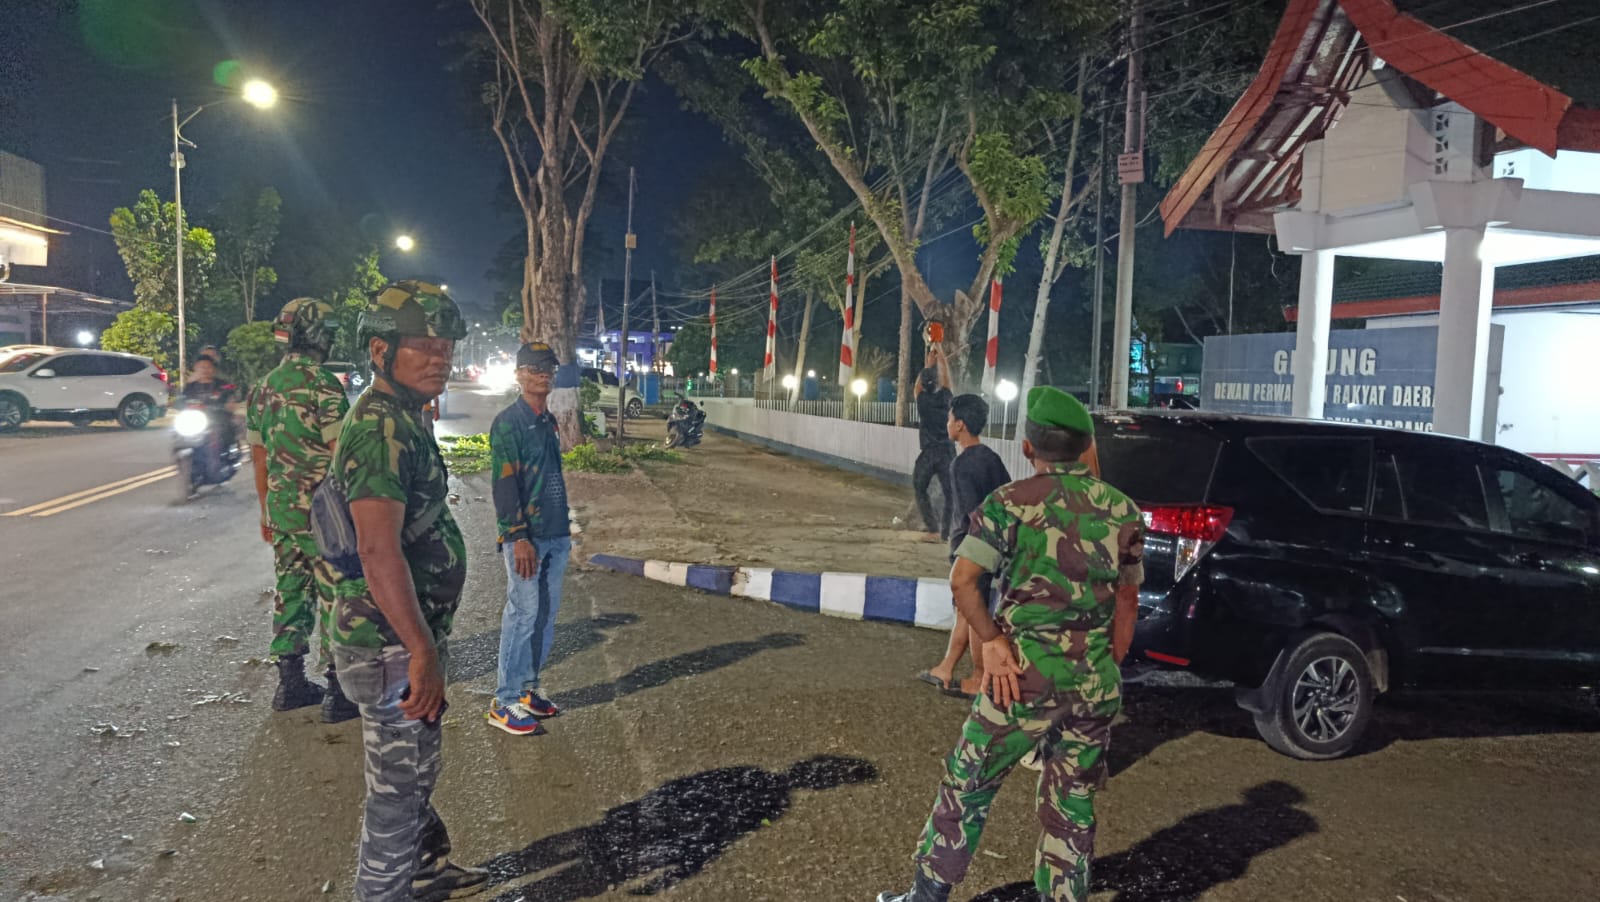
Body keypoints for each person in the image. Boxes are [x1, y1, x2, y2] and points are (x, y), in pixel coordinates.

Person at [878, 386, 1144, 902]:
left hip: (1020, 680)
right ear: (1087, 445)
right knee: (1073, 803)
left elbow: (963, 581)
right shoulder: (1123, 511)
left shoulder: (1009, 504)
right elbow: (1127, 602)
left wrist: (994, 643)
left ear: (1027, 447)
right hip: (1093, 683)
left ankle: (926, 897)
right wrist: (1103, 664)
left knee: (969, 782)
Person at [328, 280, 487, 901]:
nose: (440, 358)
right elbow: (376, 549)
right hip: (388, 643)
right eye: (424, 346)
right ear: (380, 350)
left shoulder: (401, 417)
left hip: (405, 636)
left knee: (418, 772)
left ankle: (423, 870)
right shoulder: (378, 429)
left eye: (446, 347)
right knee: (396, 796)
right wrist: (420, 650)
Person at [245, 297, 358, 721]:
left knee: (291, 590)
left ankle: (289, 684)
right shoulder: (322, 384)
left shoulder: (263, 386)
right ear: (318, 336)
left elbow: (259, 458)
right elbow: (340, 453)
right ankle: (338, 691)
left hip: (282, 512)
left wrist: (266, 511)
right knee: (335, 593)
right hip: (324, 516)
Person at [486, 340, 572, 736]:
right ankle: (503, 701)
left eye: (549, 368)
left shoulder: (548, 420)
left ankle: (527, 689)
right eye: (536, 368)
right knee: (522, 614)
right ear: (519, 374)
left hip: (556, 533)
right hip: (527, 538)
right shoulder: (509, 422)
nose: (544, 375)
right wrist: (517, 535)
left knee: (544, 617)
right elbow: (504, 485)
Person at [917, 394, 1013, 699]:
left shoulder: (961, 464)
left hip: (972, 547)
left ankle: (979, 676)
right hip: (994, 544)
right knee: (965, 611)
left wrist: (965, 550)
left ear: (960, 424)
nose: (947, 424)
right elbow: (1007, 497)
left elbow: (971, 512)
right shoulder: (991, 458)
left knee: (974, 611)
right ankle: (945, 669)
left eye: (949, 419)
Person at [912, 347, 955, 537]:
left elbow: (916, 388)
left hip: (929, 453)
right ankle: (946, 531)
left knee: (920, 488)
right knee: (950, 493)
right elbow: (947, 380)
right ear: (936, 383)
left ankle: (933, 529)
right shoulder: (946, 398)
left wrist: (928, 364)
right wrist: (941, 357)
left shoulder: (922, 401)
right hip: (947, 452)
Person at [181, 353, 241, 462]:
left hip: (218, 421)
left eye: (208, 367)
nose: (205, 370)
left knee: (228, 430)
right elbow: (181, 400)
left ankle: (230, 455)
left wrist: (228, 405)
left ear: (213, 369)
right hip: (197, 422)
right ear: (195, 368)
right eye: (202, 367)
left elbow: (231, 399)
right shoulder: (190, 387)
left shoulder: (222, 385)